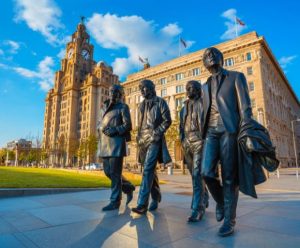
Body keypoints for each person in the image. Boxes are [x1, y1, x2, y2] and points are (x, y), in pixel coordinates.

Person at [201, 47, 252, 236]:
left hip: (230, 130)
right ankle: (222, 201)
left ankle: (229, 220)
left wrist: (245, 130)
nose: (210, 56)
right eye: (206, 56)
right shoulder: (204, 86)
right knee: (206, 172)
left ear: (222, 58)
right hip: (211, 132)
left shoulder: (236, 77)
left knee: (230, 178)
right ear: (204, 64)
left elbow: (246, 108)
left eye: (214, 53)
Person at [131, 79, 172, 214]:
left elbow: (167, 120)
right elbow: (140, 122)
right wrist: (138, 137)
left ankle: (142, 204)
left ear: (152, 87)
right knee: (149, 170)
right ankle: (156, 195)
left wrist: (157, 133)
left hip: (154, 138)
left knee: (148, 169)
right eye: (140, 88)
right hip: (142, 139)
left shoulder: (160, 102)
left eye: (144, 88)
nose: (142, 91)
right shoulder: (141, 105)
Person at [97, 84, 135, 211]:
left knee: (115, 173)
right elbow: (101, 122)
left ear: (120, 94)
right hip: (104, 144)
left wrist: (114, 130)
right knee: (108, 172)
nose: (112, 93)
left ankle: (115, 201)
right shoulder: (105, 107)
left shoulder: (123, 107)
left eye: (115, 91)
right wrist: (100, 128)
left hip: (116, 144)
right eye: (111, 91)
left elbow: (128, 125)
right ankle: (128, 187)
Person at [179, 80, 209, 222]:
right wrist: (182, 139)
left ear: (197, 90)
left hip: (199, 140)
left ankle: (197, 208)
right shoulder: (183, 107)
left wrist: (205, 139)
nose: (188, 90)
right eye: (187, 88)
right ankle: (204, 195)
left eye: (190, 88)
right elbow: (180, 125)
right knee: (194, 175)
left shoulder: (204, 103)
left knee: (197, 174)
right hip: (187, 142)